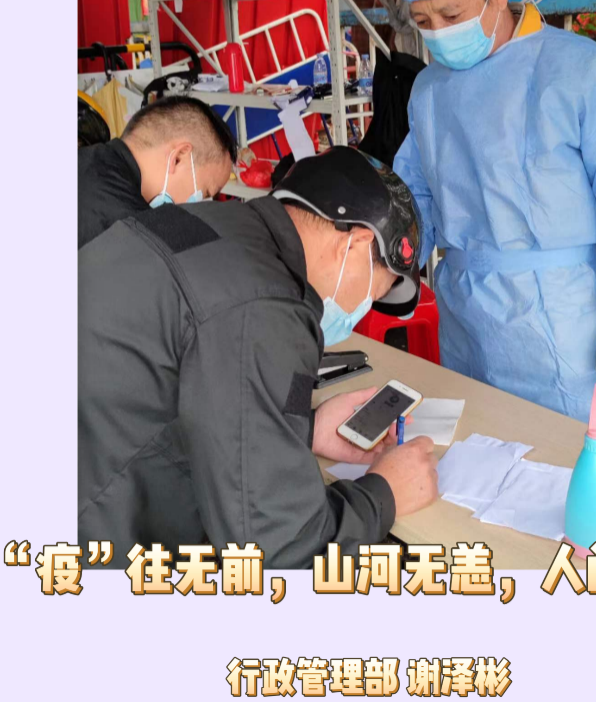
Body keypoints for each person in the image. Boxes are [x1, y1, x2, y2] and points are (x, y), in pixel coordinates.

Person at [78, 146, 438, 569]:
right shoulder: (265, 305)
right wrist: (385, 493)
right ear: (355, 245)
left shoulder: (213, 229)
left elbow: (186, 386)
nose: (364, 307)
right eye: (375, 292)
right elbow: (278, 552)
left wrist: (301, 427)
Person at [393, 0, 596, 449]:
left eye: (451, 15)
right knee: (486, 462)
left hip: (573, 320)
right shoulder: (429, 90)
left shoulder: (583, 71)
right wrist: (388, 262)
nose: (438, 32)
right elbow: (412, 195)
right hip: (470, 317)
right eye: (423, 21)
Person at [77, 95, 236, 248]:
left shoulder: (87, 160)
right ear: (178, 158)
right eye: (205, 194)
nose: (201, 206)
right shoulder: (126, 228)